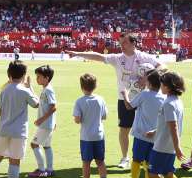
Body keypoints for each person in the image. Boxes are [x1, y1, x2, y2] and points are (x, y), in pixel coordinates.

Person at [66, 33, 168, 169]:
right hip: (124, 98)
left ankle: (150, 158)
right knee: (124, 128)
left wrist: (147, 76)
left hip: (145, 99)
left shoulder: (144, 57)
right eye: (120, 42)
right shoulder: (117, 58)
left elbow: (164, 67)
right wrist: (77, 53)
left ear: (133, 44)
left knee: (149, 128)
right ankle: (125, 158)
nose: (121, 45)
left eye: (125, 42)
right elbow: (98, 56)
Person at [120, 70, 166, 178]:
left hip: (141, 135)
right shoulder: (164, 97)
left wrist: (125, 95)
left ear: (149, 83)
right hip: (155, 136)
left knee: (136, 160)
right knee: (149, 163)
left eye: (146, 79)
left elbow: (129, 106)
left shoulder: (144, 95)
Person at [146, 72, 187, 178]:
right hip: (168, 146)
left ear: (168, 87)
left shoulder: (168, 104)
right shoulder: (177, 101)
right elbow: (167, 124)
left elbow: (173, 125)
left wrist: (178, 146)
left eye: (162, 84)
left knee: (152, 172)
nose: (161, 86)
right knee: (168, 173)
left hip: (162, 147)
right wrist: (155, 131)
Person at [74, 73, 108, 178]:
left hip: (86, 136)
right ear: (95, 86)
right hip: (99, 135)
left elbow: (77, 120)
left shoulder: (79, 102)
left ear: (81, 87)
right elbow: (104, 116)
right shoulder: (101, 99)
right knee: (100, 161)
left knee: (86, 162)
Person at [28, 65, 57, 178]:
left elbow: (54, 107)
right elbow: (40, 101)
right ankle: (49, 170)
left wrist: (41, 119)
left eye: (39, 76)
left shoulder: (48, 90)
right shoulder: (45, 89)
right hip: (48, 123)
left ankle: (41, 169)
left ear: (47, 78)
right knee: (46, 146)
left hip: (45, 124)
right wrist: (30, 88)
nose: (37, 79)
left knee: (34, 144)